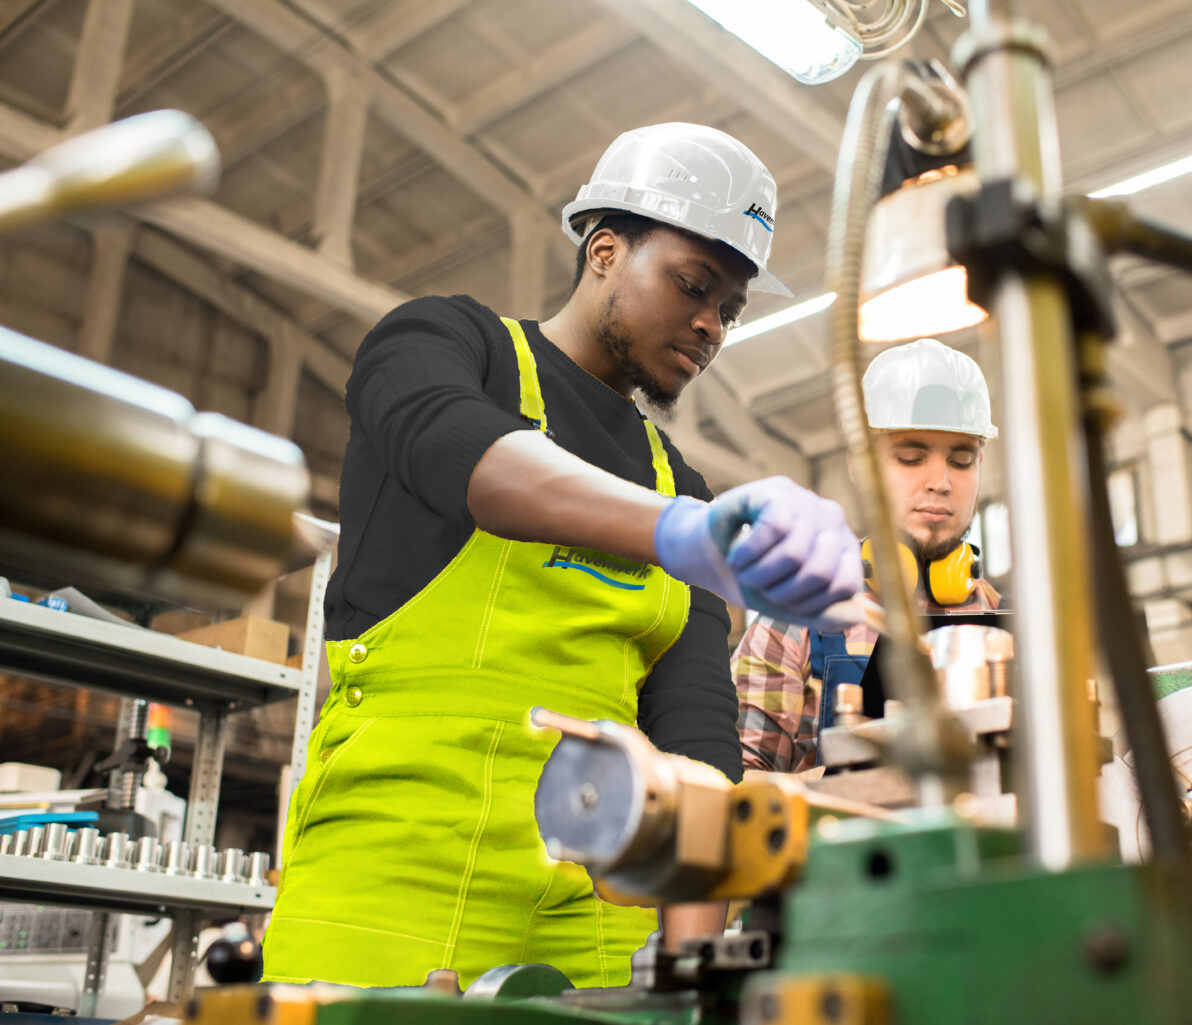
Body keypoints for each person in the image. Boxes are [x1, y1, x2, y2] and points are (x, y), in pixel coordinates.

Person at [260, 123, 863, 989]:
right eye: (694, 285)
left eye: (731, 310)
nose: (711, 325)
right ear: (605, 250)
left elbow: (695, 735)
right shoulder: (447, 345)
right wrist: (680, 534)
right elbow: (459, 448)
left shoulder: (680, 482)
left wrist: (690, 966)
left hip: (601, 907)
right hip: (394, 879)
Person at [734, 338, 1003, 774]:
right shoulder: (794, 621)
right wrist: (850, 788)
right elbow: (738, 787)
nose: (940, 482)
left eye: (961, 460)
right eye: (911, 458)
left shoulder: (1008, 628)